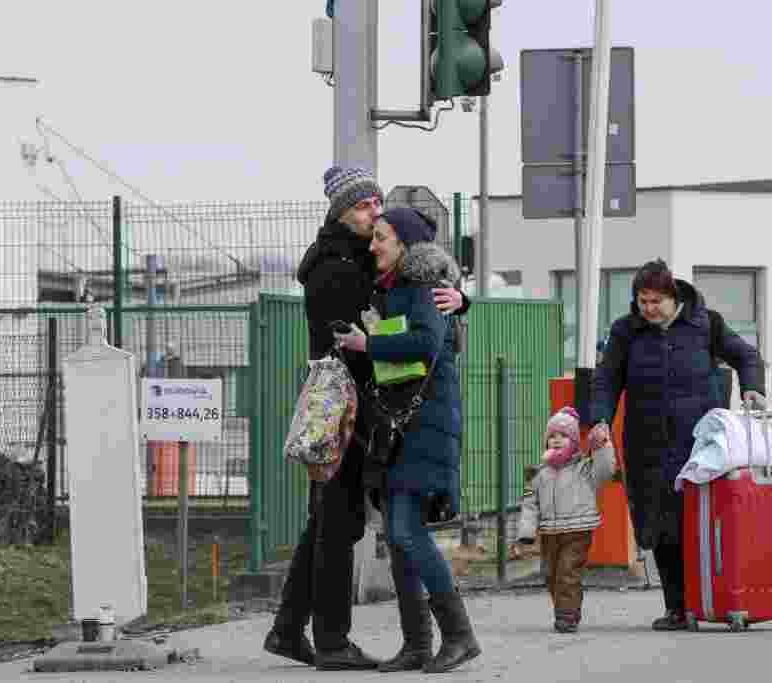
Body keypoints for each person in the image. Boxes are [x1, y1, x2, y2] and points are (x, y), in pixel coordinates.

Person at [263, 168, 468, 671]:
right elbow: (382, 325)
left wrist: (462, 299)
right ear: (340, 213)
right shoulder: (336, 266)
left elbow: (421, 301)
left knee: (330, 522)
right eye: (362, 208)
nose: (374, 215)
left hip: (359, 407)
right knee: (339, 523)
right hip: (345, 409)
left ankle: (290, 629)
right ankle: (331, 641)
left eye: (377, 205)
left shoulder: (357, 257)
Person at [335, 207, 480, 673]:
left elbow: (426, 343)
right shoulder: (396, 287)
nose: (373, 244)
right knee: (398, 538)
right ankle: (418, 644)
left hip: (424, 426)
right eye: (373, 236)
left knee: (404, 532)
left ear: (405, 246)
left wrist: (367, 345)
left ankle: (459, 636)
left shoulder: (419, 287)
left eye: (382, 237)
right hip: (403, 427)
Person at [588, 259, 766, 630]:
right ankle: (678, 608)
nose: (649, 309)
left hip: (702, 443)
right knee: (659, 527)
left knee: (703, 523)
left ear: (674, 298)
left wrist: (753, 387)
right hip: (647, 443)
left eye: (656, 302)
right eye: (642, 301)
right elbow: (606, 380)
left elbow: (745, 355)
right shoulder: (626, 332)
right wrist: (600, 420)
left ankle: (720, 599)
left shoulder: (706, 323)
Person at [517, 407, 616, 633]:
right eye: (552, 436)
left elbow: (607, 469)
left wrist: (602, 445)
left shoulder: (584, 468)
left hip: (578, 530)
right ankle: (566, 609)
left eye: (562, 435)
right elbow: (530, 503)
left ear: (573, 440)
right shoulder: (539, 473)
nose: (556, 440)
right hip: (550, 532)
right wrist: (526, 531)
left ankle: (567, 616)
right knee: (551, 575)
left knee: (567, 571)